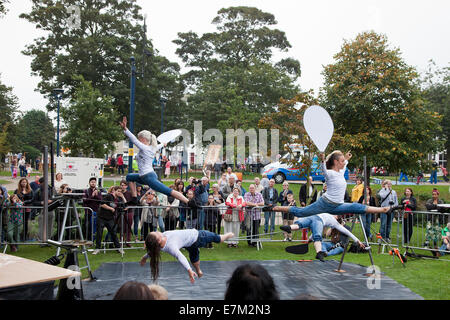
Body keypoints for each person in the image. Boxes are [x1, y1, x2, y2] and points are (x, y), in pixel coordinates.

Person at [271, 151, 393, 219]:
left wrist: (345, 157)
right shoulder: (329, 173)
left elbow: (344, 164)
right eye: (341, 161)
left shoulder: (341, 171)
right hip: (325, 203)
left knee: (357, 207)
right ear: (335, 162)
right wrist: (323, 160)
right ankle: (275, 208)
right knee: (300, 213)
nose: (344, 163)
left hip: (338, 205)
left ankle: (383, 209)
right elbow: (324, 170)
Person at [119, 117, 190, 207]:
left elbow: (133, 140)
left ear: (143, 139)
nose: (138, 140)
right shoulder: (153, 147)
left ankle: (188, 202)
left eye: (139, 139)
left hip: (149, 177)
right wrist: (163, 144)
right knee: (129, 177)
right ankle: (134, 199)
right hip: (143, 176)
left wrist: (126, 129)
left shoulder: (145, 148)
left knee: (168, 191)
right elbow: (159, 145)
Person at [140, 229, 234, 283]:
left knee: (194, 258)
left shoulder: (159, 243)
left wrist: (144, 257)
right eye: (156, 233)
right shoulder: (171, 246)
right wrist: (189, 270)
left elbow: (152, 251)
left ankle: (198, 270)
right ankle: (227, 236)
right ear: (159, 240)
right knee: (218, 238)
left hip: (188, 243)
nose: (157, 231)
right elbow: (181, 257)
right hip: (199, 237)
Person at [281, 213, 366, 261]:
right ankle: (319, 253)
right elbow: (346, 232)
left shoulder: (327, 215)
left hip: (312, 217)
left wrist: (309, 240)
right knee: (318, 238)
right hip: (317, 220)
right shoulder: (334, 222)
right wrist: (357, 240)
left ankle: (289, 228)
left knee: (300, 225)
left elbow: (316, 229)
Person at [92, 186, 124, 255]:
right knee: (99, 233)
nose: (119, 192)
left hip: (110, 218)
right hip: (101, 217)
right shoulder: (108, 196)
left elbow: (125, 205)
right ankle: (97, 248)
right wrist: (110, 208)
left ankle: (118, 248)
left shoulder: (118, 199)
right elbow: (102, 204)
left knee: (114, 233)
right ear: (114, 191)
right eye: (118, 191)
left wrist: (123, 197)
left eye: (120, 191)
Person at [32, 177, 56, 242]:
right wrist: (41, 202)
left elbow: (56, 198)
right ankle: (41, 240)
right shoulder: (38, 191)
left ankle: (49, 240)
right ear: (41, 183)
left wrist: (51, 201)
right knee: (41, 226)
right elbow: (33, 202)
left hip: (51, 209)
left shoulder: (52, 189)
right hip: (41, 210)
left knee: (50, 226)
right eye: (43, 182)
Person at [82, 177, 102, 242]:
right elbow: (85, 201)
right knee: (88, 226)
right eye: (92, 182)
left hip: (96, 211)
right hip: (88, 212)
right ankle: (88, 239)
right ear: (89, 183)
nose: (93, 183)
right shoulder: (86, 191)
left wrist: (96, 195)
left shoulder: (98, 191)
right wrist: (92, 196)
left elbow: (101, 200)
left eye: (94, 182)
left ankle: (94, 239)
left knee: (96, 226)